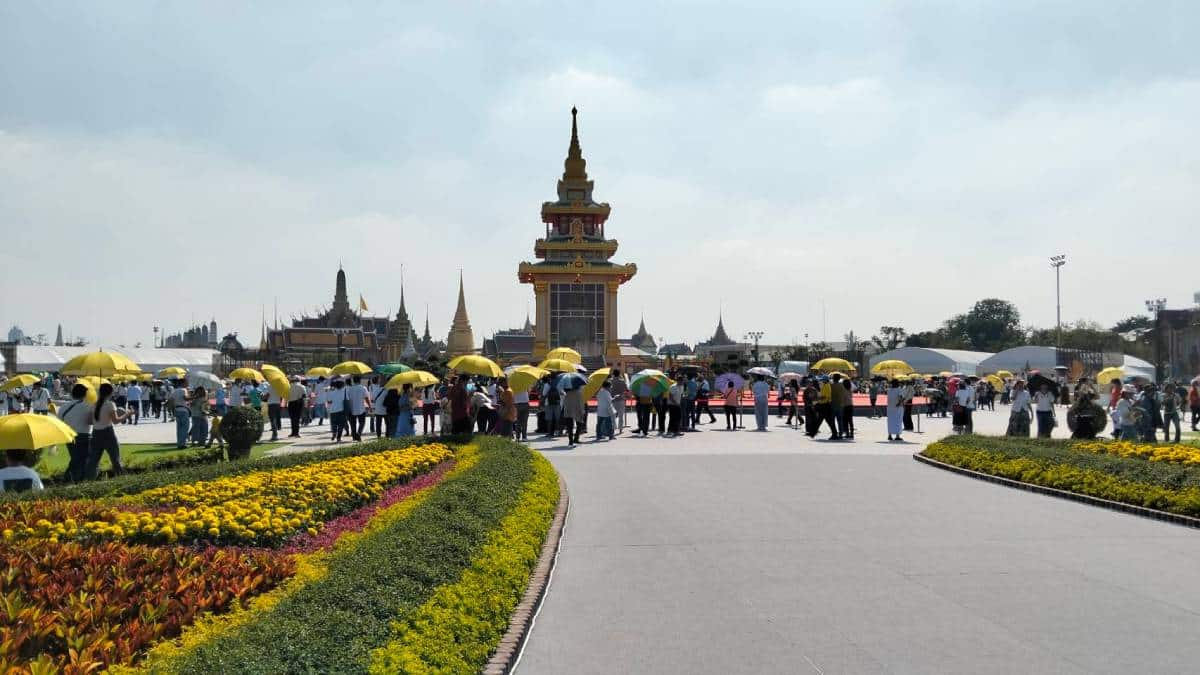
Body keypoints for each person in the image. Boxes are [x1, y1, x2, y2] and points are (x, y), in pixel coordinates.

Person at [86, 383, 131, 478]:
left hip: (95, 433)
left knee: (93, 462)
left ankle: (89, 481)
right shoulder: (110, 404)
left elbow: (89, 421)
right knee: (115, 460)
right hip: (108, 433)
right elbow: (116, 421)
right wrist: (127, 414)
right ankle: (121, 478)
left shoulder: (93, 405)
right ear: (110, 393)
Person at [57, 383, 93, 482]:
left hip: (69, 436)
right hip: (84, 436)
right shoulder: (88, 406)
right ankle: (69, 479)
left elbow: (59, 423)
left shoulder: (63, 407)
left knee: (76, 459)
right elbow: (92, 421)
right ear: (85, 394)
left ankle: (73, 479)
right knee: (82, 460)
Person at [167, 381, 190, 449]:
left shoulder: (174, 391)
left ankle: (179, 443)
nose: (187, 384)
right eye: (186, 383)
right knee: (184, 428)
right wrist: (194, 397)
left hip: (177, 410)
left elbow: (170, 401)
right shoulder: (183, 390)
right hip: (183, 410)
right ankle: (183, 444)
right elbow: (185, 398)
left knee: (179, 428)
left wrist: (172, 411)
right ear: (182, 383)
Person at [346, 376, 370, 441]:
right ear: (360, 380)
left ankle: (354, 437)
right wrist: (369, 406)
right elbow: (366, 398)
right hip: (361, 408)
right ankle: (359, 433)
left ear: (353, 381)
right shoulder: (363, 388)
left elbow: (347, 399)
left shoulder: (349, 389)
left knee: (353, 424)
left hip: (351, 408)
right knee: (362, 422)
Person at [562, 382, 585, 446]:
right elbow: (581, 403)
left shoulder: (567, 394)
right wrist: (582, 411)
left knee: (570, 427)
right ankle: (576, 438)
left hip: (568, 411)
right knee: (579, 425)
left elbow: (565, 404)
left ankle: (570, 440)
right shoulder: (579, 393)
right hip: (578, 411)